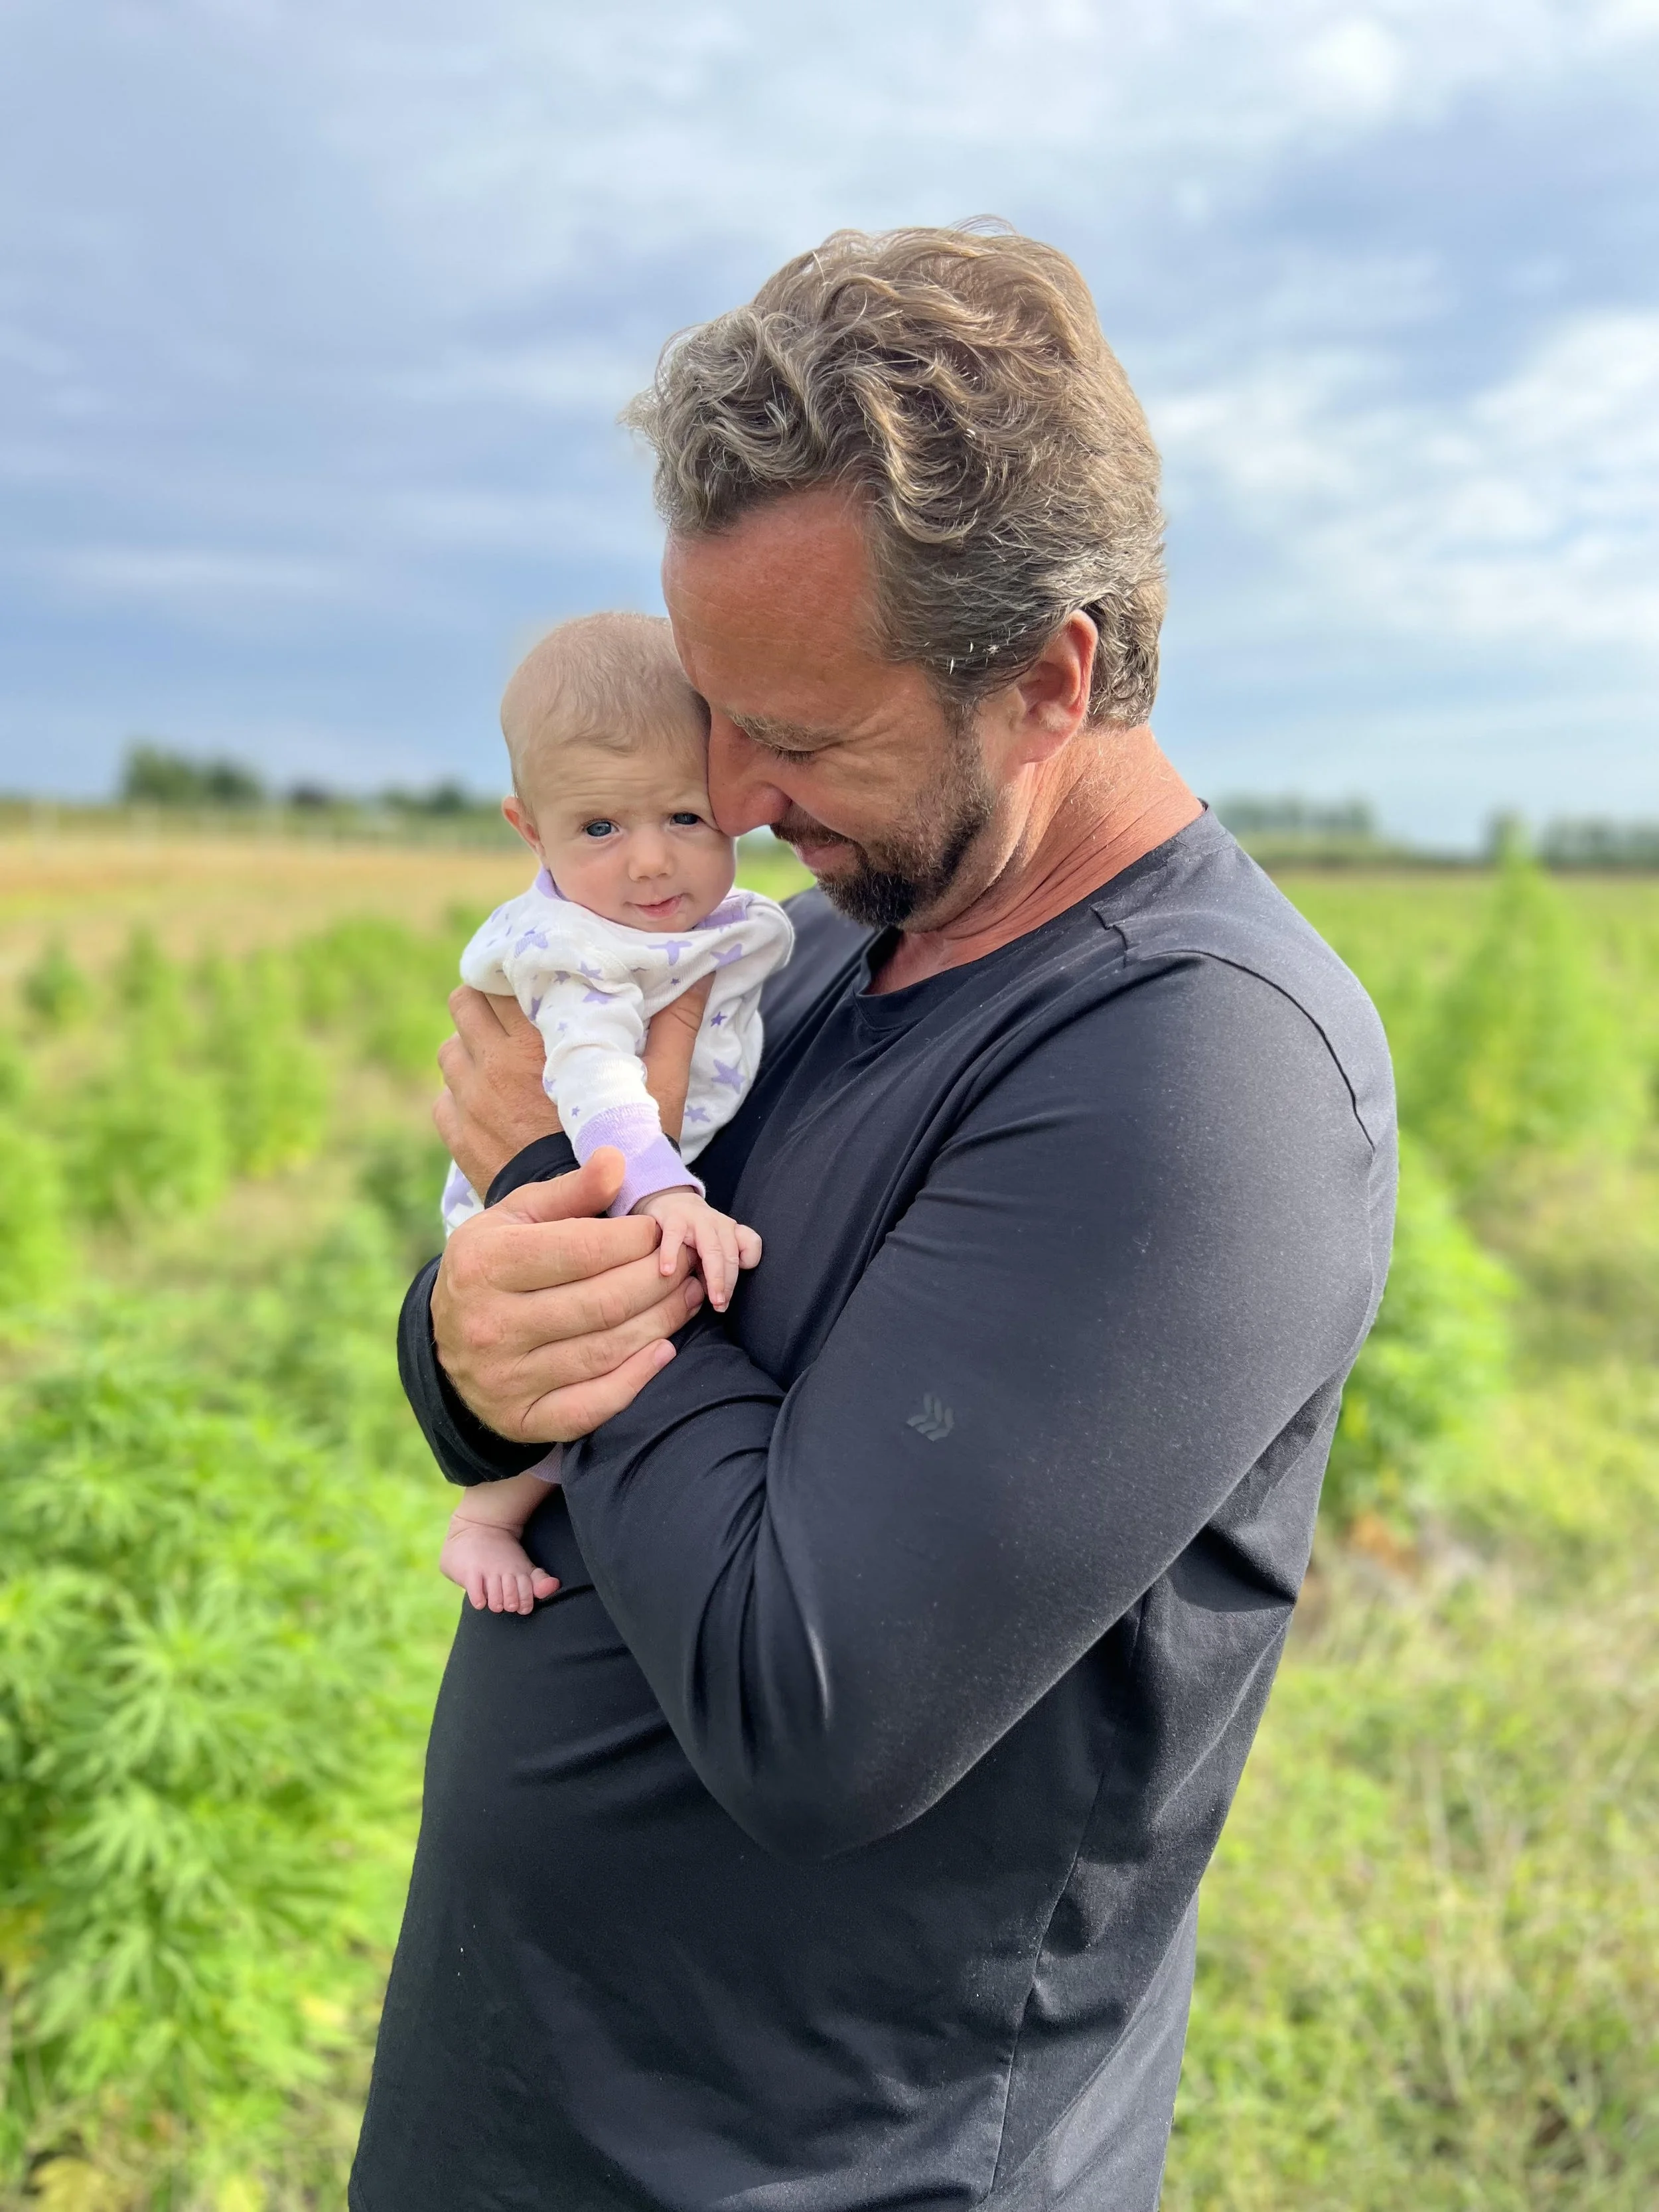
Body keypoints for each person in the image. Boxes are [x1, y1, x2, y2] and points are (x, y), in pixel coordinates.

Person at [352, 224, 1396, 2212]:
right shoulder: (836, 941)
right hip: (529, 2115)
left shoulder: (1195, 1072)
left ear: (1049, 678)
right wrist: (463, 1337)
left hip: (819, 2166)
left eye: (804, 734)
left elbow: (808, 1701)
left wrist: (542, 1184)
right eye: (716, 712)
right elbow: (524, 1371)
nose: (733, 798)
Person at [435, 611, 793, 1616]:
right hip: (559, 1194)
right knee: (581, 1356)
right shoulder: (577, 954)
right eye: (600, 828)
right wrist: (665, 1192)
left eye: (685, 817)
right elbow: (594, 1080)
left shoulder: (699, 927)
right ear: (530, 830)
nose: (649, 862)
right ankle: (484, 1519)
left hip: (623, 1173)